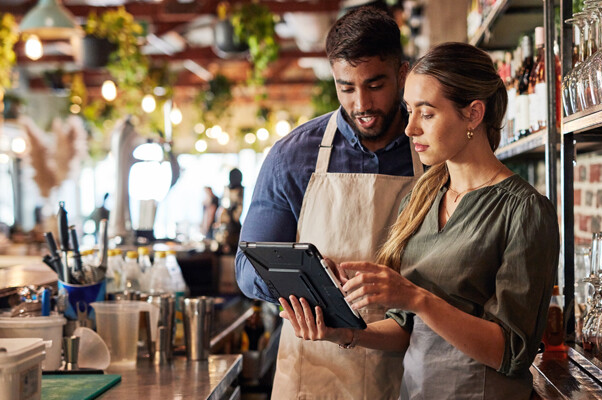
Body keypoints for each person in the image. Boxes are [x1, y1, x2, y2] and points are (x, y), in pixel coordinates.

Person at [279, 42, 560, 399]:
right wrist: (342, 331)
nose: (410, 129)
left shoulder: (524, 210)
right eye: (409, 111)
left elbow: (511, 352)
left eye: (426, 114)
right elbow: (406, 328)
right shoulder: (423, 196)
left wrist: (416, 297)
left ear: (473, 114)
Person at [234, 6, 423, 400]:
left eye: (375, 85)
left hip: (413, 367)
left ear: (402, 74)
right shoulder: (292, 156)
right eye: (346, 88)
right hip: (317, 367)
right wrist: (307, 281)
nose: (361, 104)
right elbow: (248, 268)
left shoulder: (432, 148)